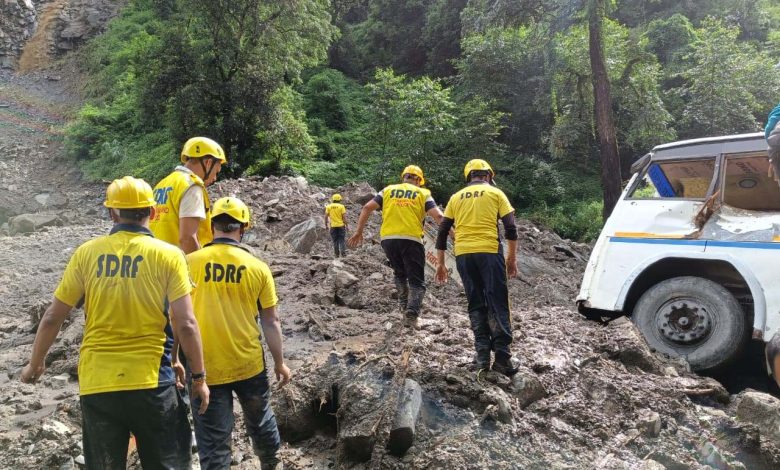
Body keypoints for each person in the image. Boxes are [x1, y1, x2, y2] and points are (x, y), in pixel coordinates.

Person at [20, 176, 210, 469]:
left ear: (112, 213)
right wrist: (199, 378)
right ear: (153, 212)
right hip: (152, 383)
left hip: (99, 385)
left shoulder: (87, 253)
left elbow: (52, 317)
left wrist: (36, 364)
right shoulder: (169, 255)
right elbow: (185, 323)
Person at [186, 196, 291, 470]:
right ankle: (271, 463)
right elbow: (271, 321)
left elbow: (178, 319)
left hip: (204, 368)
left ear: (212, 225)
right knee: (261, 420)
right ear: (242, 228)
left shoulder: (188, 263)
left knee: (213, 440)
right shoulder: (258, 268)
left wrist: (175, 359)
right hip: (249, 364)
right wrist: (279, 363)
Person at [434, 159, 519, 376]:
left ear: (469, 176)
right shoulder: (496, 193)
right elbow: (510, 227)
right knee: (497, 301)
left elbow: (442, 231)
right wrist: (511, 258)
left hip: (463, 255)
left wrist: (441, 264)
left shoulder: (456, 197)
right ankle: (502, 358)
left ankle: (482, 356)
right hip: (489, 252)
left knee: (475, 303)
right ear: (488, 175)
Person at [348, 165, 443, 327]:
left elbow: (367, 207)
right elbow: (439, 217)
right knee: (417, 282)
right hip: (411, 239)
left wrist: (358, 232)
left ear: (404, 177)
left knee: (399, 274)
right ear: (418, 180)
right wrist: (454, 235)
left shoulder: (388, 190)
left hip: (388, 239)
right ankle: (411, 316)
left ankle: (403, 307)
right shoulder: (423, 193)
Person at [150, 136, 226, 254]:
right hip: (176, 262)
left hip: (154, 258)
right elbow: (187, 238)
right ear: (208, 163)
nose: (215, 178)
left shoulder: (161, 185)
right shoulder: (192, 186)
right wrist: (199, 264)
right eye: (216, 172)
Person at [325, 193, 348, 257]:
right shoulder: (341, 206)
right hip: (341, 226)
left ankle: (336, 254)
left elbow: (326, 217)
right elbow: (344, 217)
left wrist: (326, 225)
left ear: (333, 199)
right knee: (342, 240)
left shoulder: (328, 206)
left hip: (333, 226)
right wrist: (347, 225)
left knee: (335, 240)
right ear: (340, 199)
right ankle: (343, 254)